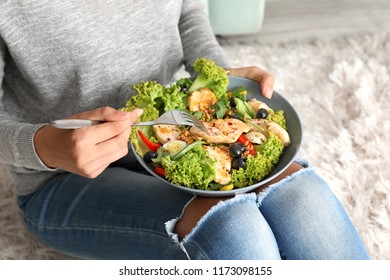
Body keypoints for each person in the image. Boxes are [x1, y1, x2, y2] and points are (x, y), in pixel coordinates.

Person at [0, 0, 369, 260]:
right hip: (61, 180)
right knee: (236, 227)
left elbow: (187, 10)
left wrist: (219, 76)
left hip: (170, 129)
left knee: (300, 193)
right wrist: (43, 146)